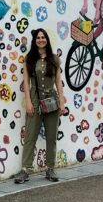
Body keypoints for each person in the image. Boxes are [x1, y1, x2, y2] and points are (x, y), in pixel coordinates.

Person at [13, 27, 66, 183]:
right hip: (35, 102)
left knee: (51, 137)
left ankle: (50, 169)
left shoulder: (54, 59)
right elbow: (26, 82)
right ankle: (25, 170)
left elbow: (58, 82)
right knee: (30, 136)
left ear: (47, 40)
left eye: (43, 37)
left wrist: (61, 102)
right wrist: (28, 102)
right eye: (38, 37)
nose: (41, 39)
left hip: (52, 101)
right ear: (34, 41)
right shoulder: (29, 59)